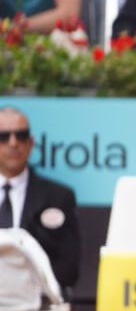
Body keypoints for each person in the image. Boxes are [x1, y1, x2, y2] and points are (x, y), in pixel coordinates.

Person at [0, 106, 81, 291]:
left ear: (30, 142)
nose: (13, 143)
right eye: (3, 136)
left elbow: (69, 268)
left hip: (38, 307)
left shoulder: (59, 197)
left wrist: (26, 288)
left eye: (20, 135)